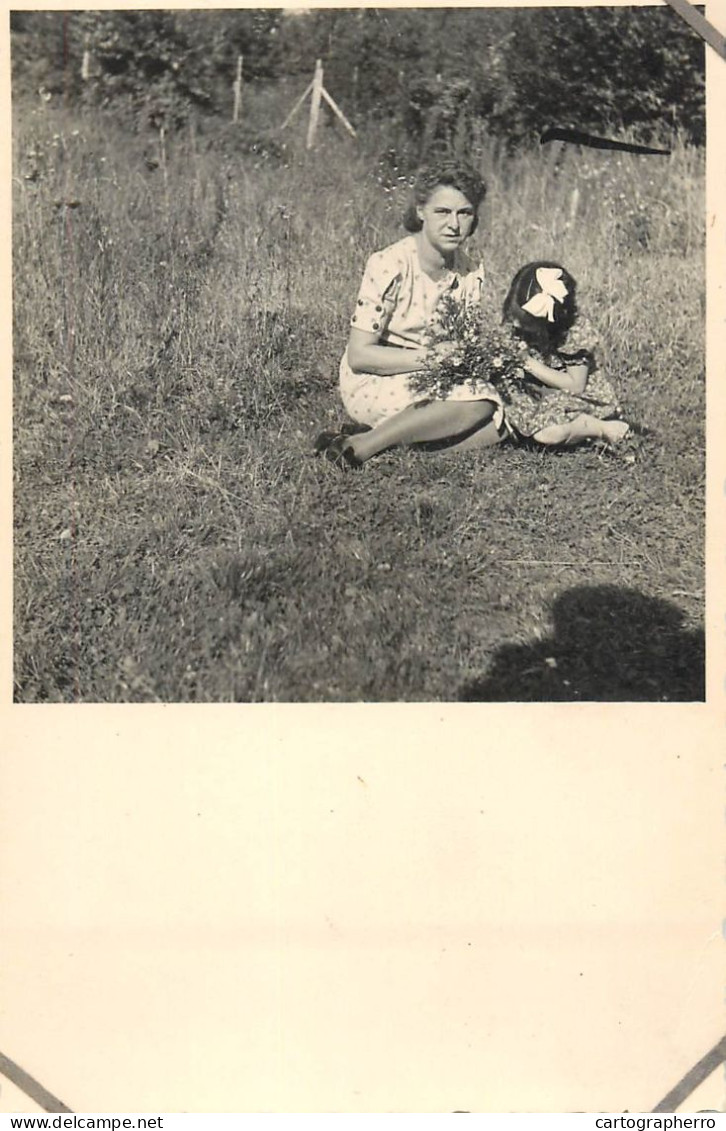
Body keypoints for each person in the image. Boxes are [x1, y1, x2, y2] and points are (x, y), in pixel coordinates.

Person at [314, 159, 505, 469]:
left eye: (464, 213)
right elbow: (360, 356)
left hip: (433, 379)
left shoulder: (470, 271)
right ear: (421, 211)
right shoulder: (390, 264)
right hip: (375, 378)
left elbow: (460, 346)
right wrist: (432, 358)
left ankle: (387, 442)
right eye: (442, 212)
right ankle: (360, 448)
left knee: (504, 421)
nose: (454, 224)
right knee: (482, 403)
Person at [496, 262, 630, 447]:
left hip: (570, 396)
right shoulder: (517, 323)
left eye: (525, 321)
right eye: (514, 316)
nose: (517, 325)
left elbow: (575, 385)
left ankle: (598, 427)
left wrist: (527, 362)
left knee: (547, 435)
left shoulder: (573, 332)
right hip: (536, 391)